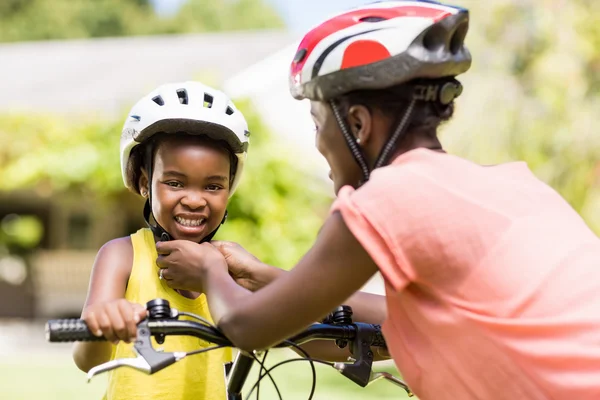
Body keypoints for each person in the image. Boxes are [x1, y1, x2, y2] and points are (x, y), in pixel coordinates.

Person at [154, 1, 600, 399]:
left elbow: (248, 328)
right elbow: (391, 317)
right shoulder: (510, 185)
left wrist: (210, 269)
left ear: (359, 124)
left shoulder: (389, 197)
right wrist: (264, 276)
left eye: (317, 122)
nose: (316, 142)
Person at [72, 81, 250, 400]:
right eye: (174, 182)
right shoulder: (123, 256)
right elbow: (86, 361)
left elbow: (290, 332)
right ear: (144, 183)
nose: (195, 200)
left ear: (229, 189)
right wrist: (103, 324)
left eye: (212, 186)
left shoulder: (231, 266)